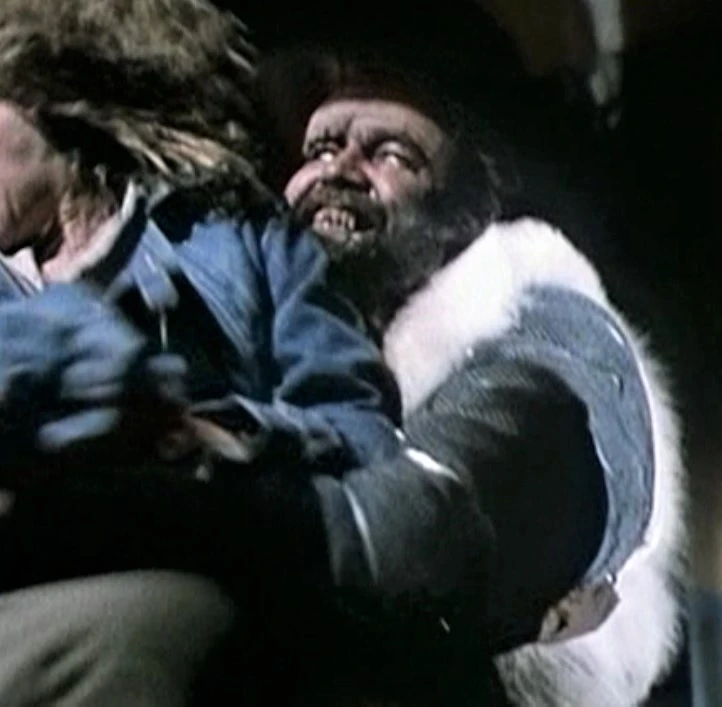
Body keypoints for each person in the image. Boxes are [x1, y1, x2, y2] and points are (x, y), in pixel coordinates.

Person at [0, 1, 405, 703]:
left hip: (217, 598)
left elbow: (363, 435)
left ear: (52, 102)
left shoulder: (239, 235)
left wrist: (206, 436)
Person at [278, 45, 687, 705]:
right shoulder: (298, 329)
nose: (339, 170)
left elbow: (409, 542)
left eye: (392, 154)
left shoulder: (552, 332)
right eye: (321, 148)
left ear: (468, 200)